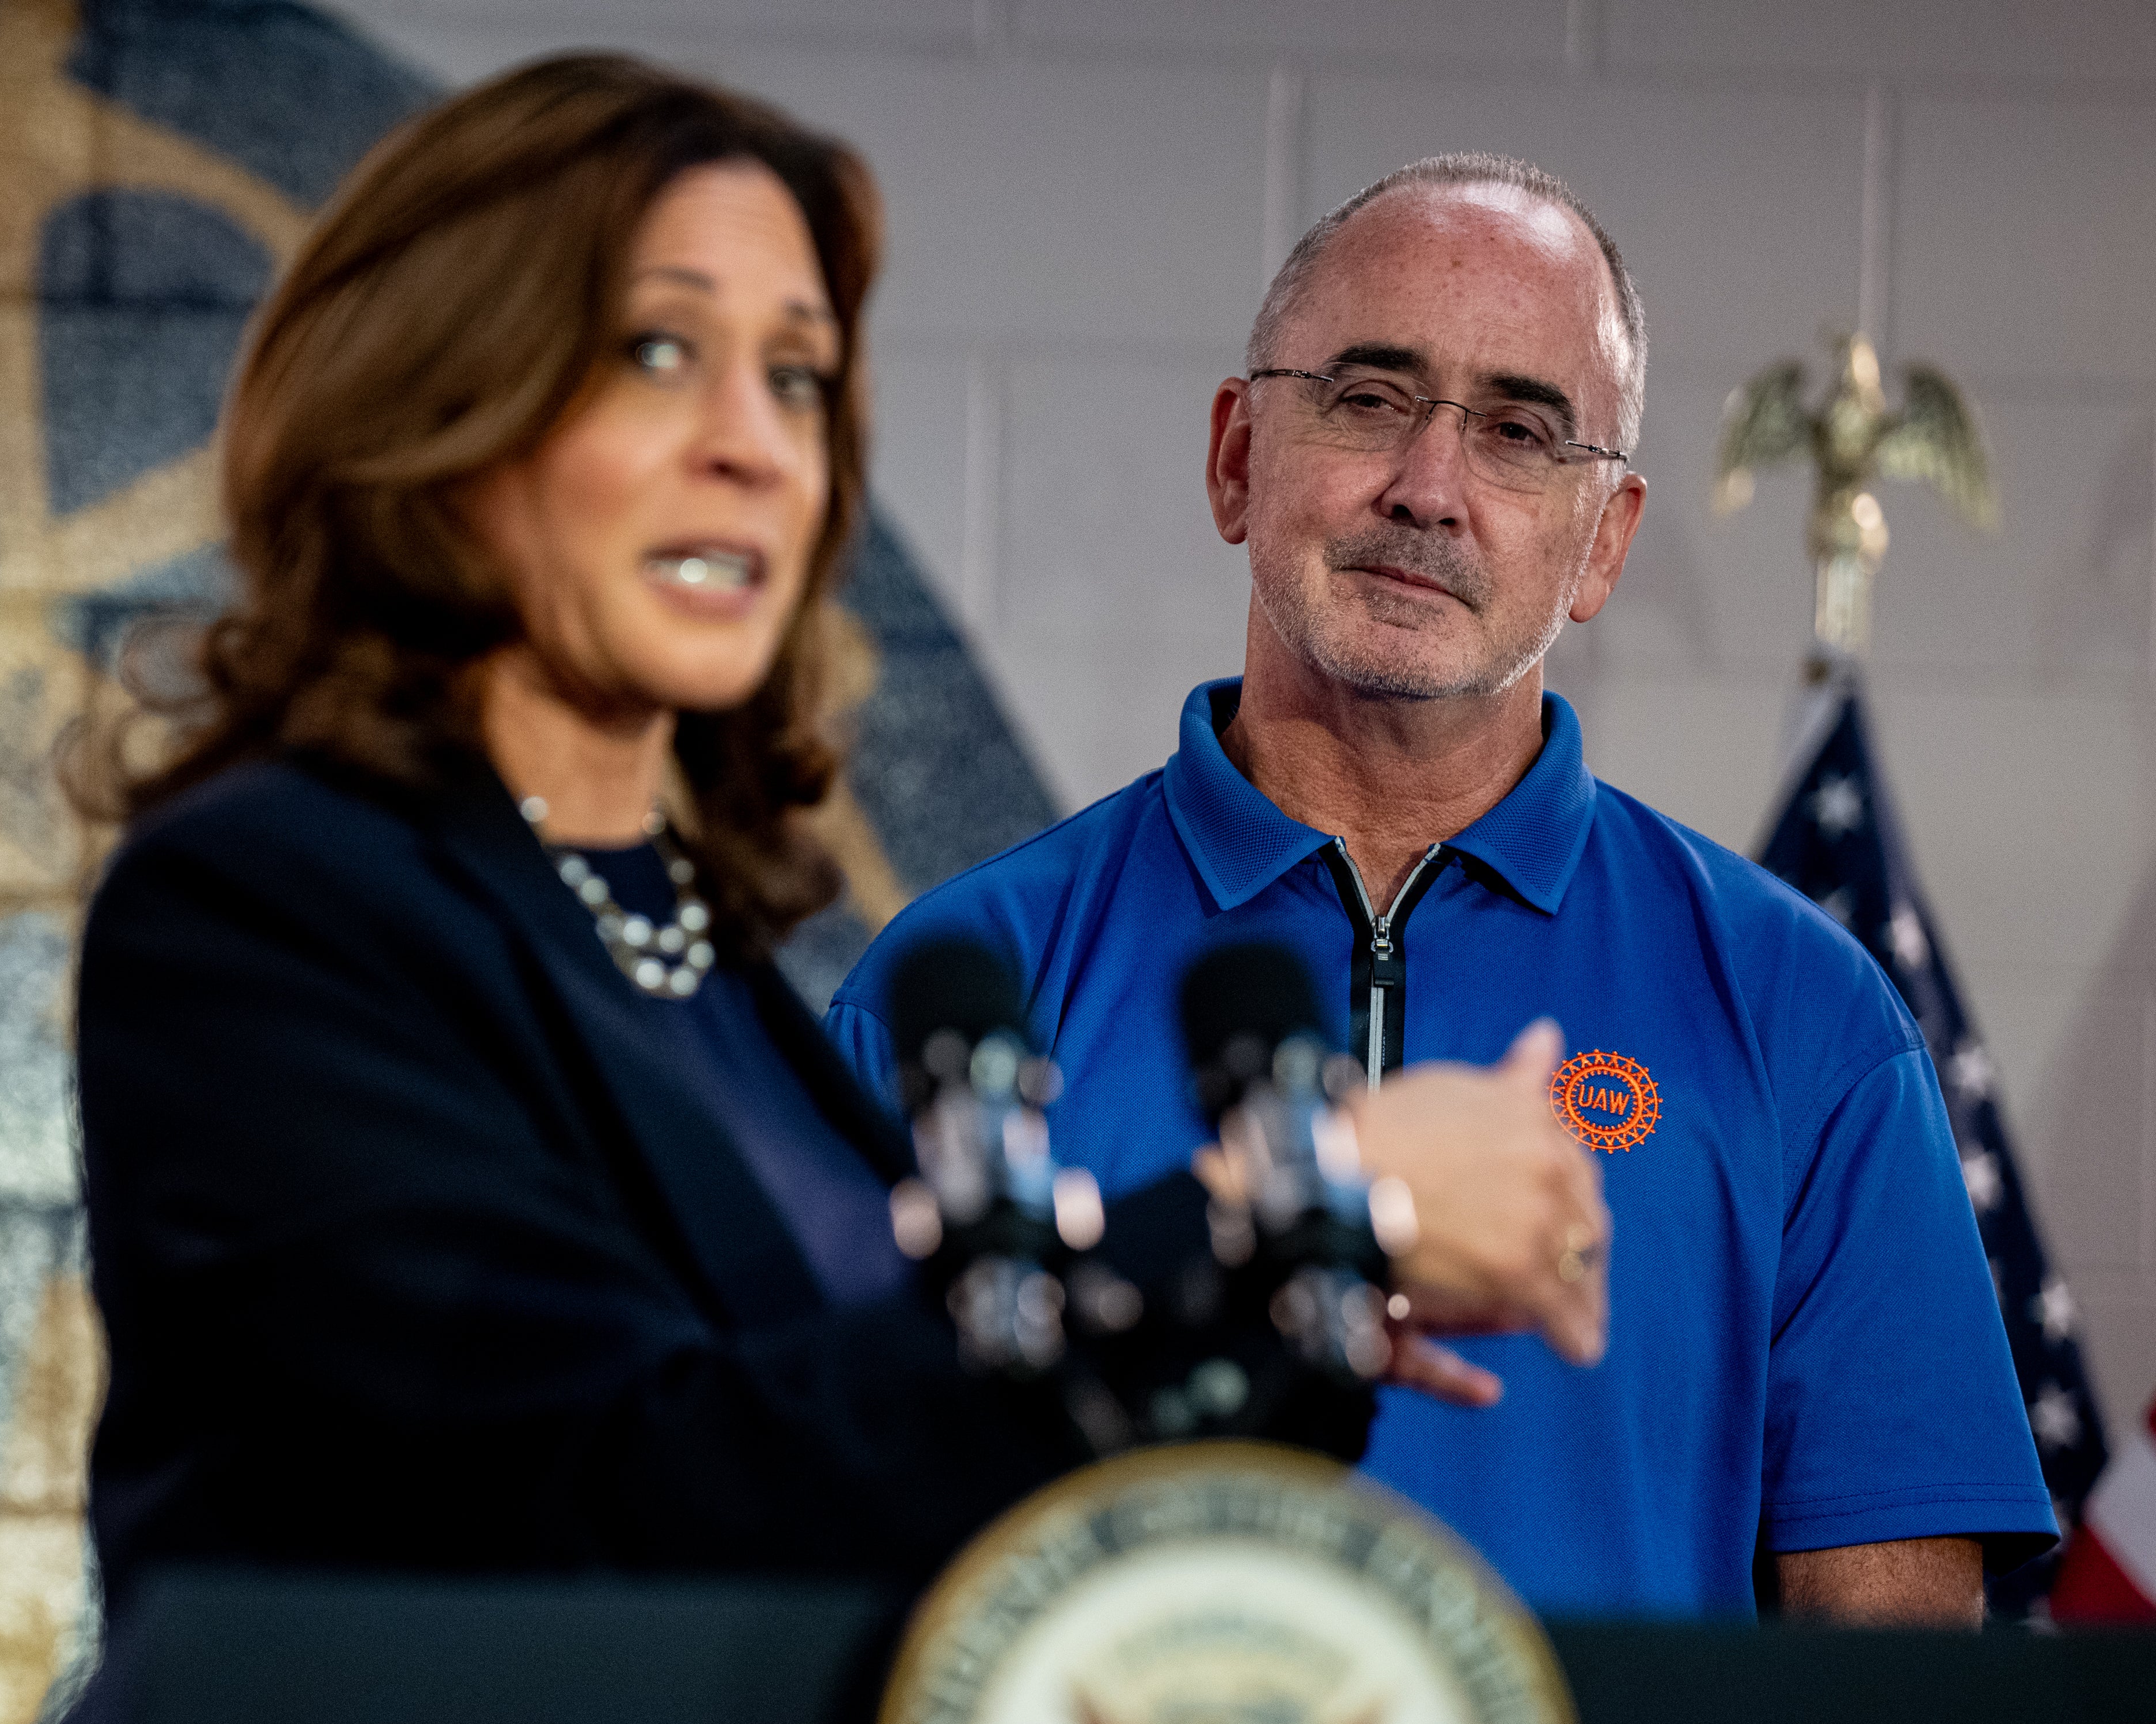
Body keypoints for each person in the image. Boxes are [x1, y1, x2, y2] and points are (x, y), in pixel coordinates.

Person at [68, 63, 1604, 1614]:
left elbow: (893, 1448)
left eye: (795, 376)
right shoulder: (271, 902)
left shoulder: (685, 952)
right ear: (447, 410)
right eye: (659, 354)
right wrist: (1298, 1199)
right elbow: (595, 1504)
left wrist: (1282, 1308)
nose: (753, 444)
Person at [829, 154, 2051, 1627]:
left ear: (1603, 542)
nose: (1431, 487)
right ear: (1235, 457)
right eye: (1367, 397)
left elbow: (1898, 1691)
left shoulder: (1809, 1015)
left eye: (1524, 432)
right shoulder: (957, 982)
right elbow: (819, 1531)